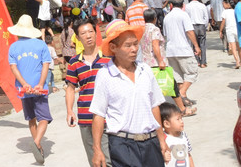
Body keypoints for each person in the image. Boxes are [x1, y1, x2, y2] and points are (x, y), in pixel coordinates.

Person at [89, 20, 169, 167]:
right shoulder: (105, 75)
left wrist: (162, 141)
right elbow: (98, 114)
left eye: (135, 44)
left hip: (151, 143)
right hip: (123, 145)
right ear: (113, 47)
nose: (134, 49)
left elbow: (154, 107)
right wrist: (97, 149)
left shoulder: (145, 70)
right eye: (128, 45)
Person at [65, 18, 113, 165]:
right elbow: (70, 88)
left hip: (108, 117)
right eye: (83, 33)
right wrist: (69, 111)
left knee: (109, 159)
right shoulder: (74, 62)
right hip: (86, 117)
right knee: (95, 161)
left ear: (96, 33)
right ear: (78, 38)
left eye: (91, 31)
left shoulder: (108, 57)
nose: (88, 36)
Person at [7, 14, 52, 165]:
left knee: (31, 118)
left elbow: (14, 68)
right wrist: (40, 83)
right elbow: (46, 65)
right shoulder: (41, 45)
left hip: (23, 89)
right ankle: (37, 142)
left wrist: (24, 84)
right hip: (40, 88)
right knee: (44, 118)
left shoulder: (13, 47)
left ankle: (37, 145)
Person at [139, 9, 192, 116]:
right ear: (155, 18)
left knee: (152, 89)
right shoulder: (154, 29)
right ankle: (182, 109)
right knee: (171, 86)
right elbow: (155, 45)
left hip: (146, 62)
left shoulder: (142, 29)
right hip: (156, 63)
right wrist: (161, 61)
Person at [163, 0, 201, 108]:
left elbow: (165, 35)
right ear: (183, 5)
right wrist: (196, 46)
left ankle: (183, 98)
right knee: (192, 73)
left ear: (170, 5)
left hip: (170, 51)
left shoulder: (167, 17)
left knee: (178, 76)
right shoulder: (183, 15)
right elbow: (189, 31)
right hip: (183, 49)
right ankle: (182, 93)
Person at [160, 102, 195, 167]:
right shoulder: (163, 139)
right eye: (178, 119)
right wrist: (163, 157)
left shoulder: (184, 135)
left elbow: (188, 154)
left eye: (181, 118)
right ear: (166, 124)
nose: (181, 121)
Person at [185, 0, 209, 68]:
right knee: (203, 44)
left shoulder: (187, 6)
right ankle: (203, 62)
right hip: (201, 25)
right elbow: (206, 17)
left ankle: (197, 61)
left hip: (192, 26)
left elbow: (187, 18)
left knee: (194, 44)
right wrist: (204, 26)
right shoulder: (202, 5)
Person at [219, 0, 241, 68]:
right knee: (239, 47)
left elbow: (223, 22)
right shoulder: (235, 11)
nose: (223, 5)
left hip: (229, 30)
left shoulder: (225, 12)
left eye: (223, 4)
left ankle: (237, 61)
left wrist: (220, 31)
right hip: (237, 29)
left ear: (228, 4)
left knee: (233, 47)